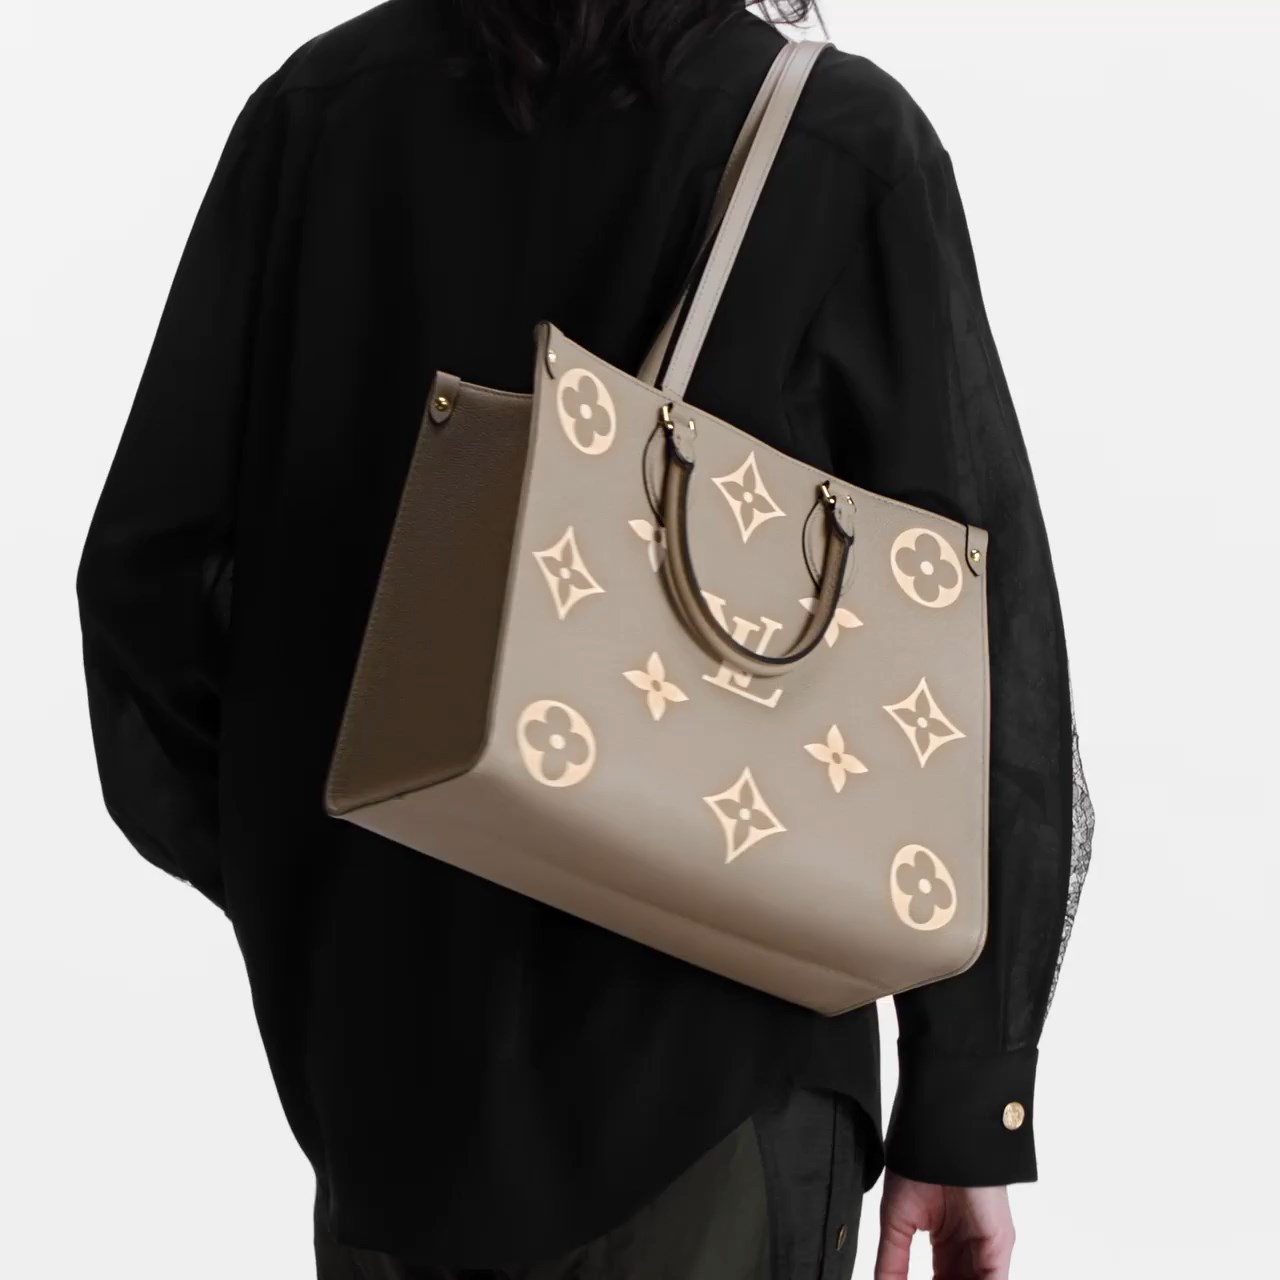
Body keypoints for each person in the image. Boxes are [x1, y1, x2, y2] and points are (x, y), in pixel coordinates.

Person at [74, 2, 1095, 1277]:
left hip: (396, 1092)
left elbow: (150, 591)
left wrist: (340, 885)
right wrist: (966, 1094)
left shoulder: (317, 119)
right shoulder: (831, 140)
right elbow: (975, 642)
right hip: (721, 1066)